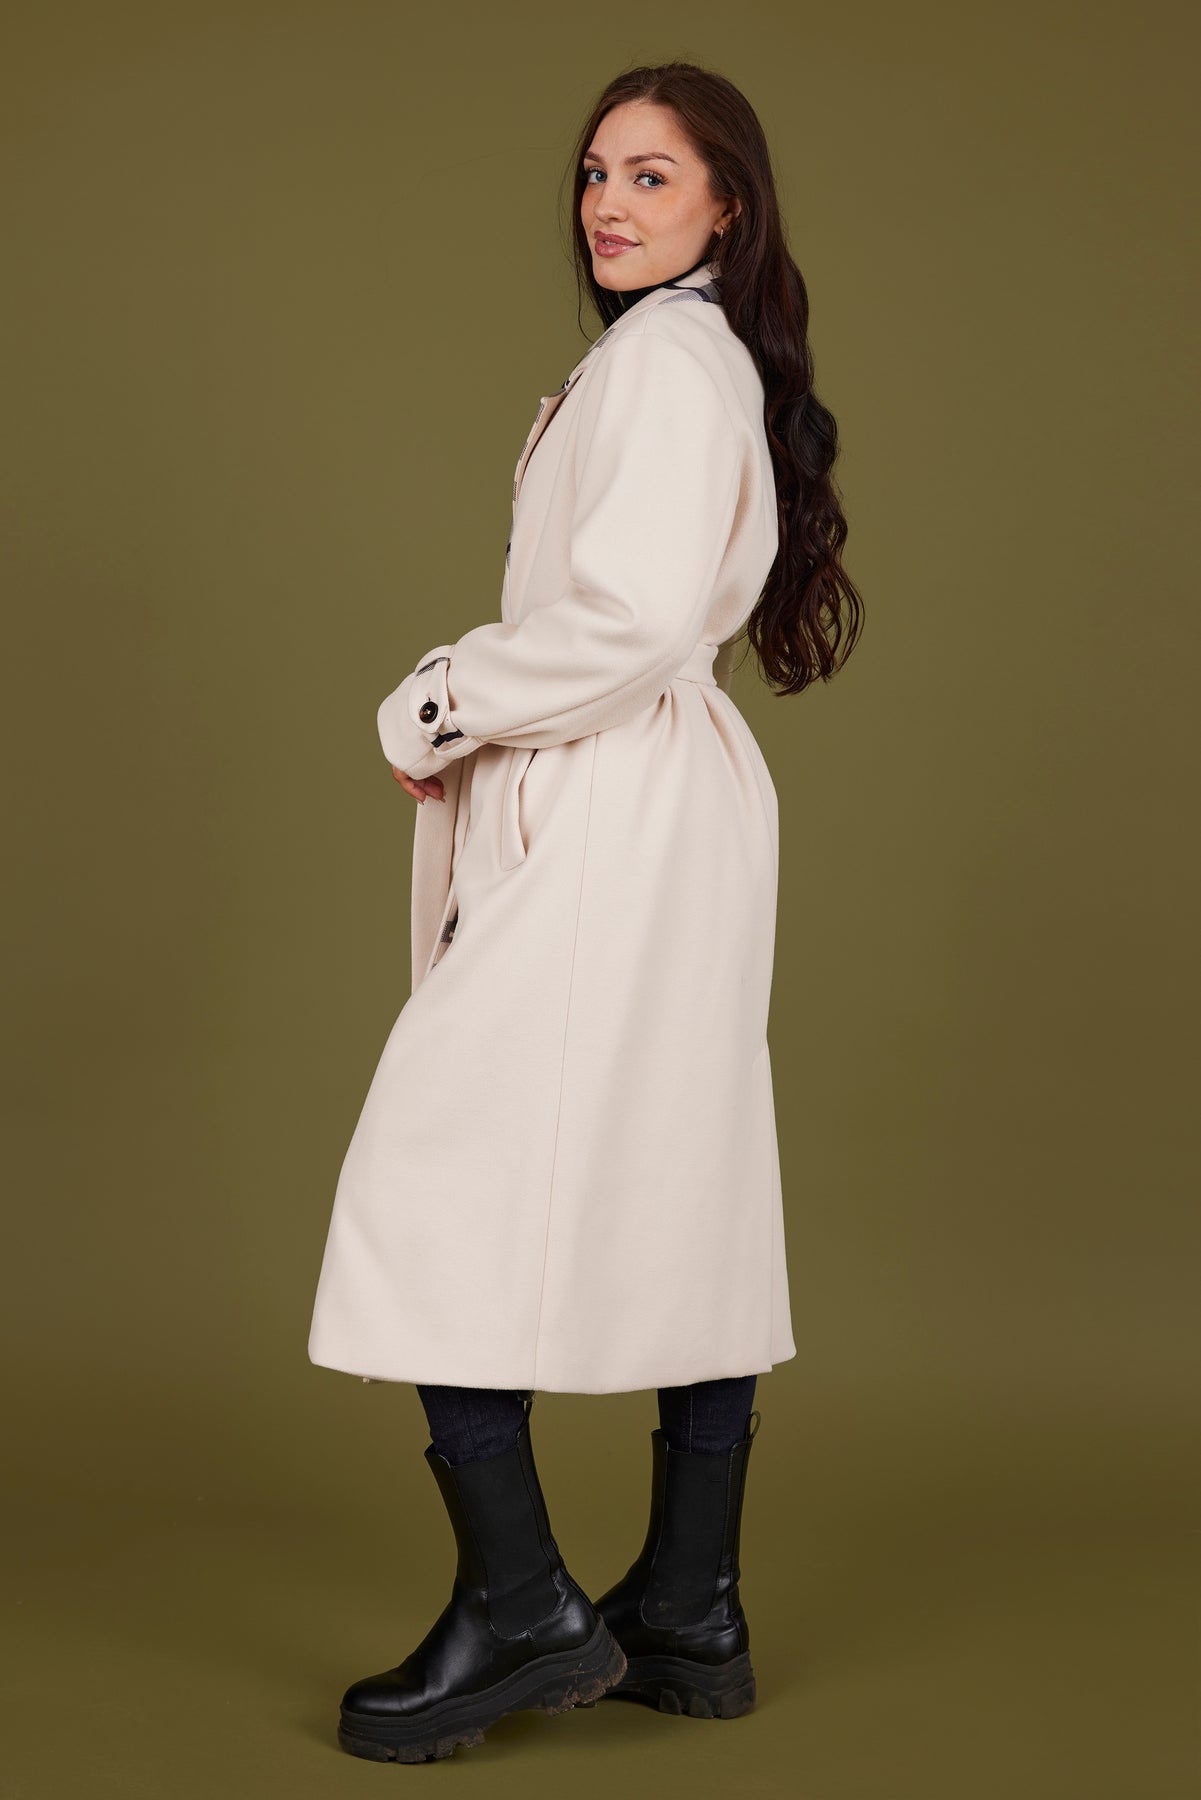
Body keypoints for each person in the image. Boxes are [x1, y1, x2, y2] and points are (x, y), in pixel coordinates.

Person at [308, 60, 863, 1764]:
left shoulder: (668, 363)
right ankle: (686, 1608)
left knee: (431, 1171)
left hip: (617, 796)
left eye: (651, 175)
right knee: (681, 1172)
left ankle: (522, 1604)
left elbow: (619, 621)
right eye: (594, 174)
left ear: (725, 207)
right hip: (657, 797)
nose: (608, 204)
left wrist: (439, 702)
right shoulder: (682, 355)